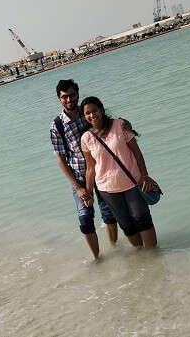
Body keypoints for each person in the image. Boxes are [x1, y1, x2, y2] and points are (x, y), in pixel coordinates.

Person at [80, 96, 160, 249]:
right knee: (127, 226)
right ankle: (144, 259)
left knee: (141, 218)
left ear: (102, 110)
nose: (92, 115)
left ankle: (154, 257)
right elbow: (91, 168)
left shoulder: (119, 125)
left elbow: (137, 152)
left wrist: (144, 175)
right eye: (87, 113)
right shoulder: (86, 138)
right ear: (84, 116)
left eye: (94, 110)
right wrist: (89, 192)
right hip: (107, 190)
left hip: (132, 183)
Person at [50, 79, 118, 260]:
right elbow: (61, 160)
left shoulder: (88, 112)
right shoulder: (57, 125)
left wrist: (124, 122)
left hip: (102, 171)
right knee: (85, 219)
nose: (69, 99)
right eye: (64, 97)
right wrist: (78, 188)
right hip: (79, 177)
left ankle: (116, 250)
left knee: (109, 214)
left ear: (77, 94)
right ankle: (97, 258)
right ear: (59, 99)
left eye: (72, 95)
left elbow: (109, 124)